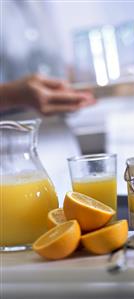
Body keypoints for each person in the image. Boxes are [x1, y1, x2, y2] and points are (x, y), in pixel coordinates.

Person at [0, 1, 96, 204]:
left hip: (60, 147)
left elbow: (50, 67)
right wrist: (12, 96)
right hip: (8, 162)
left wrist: (126, 71)